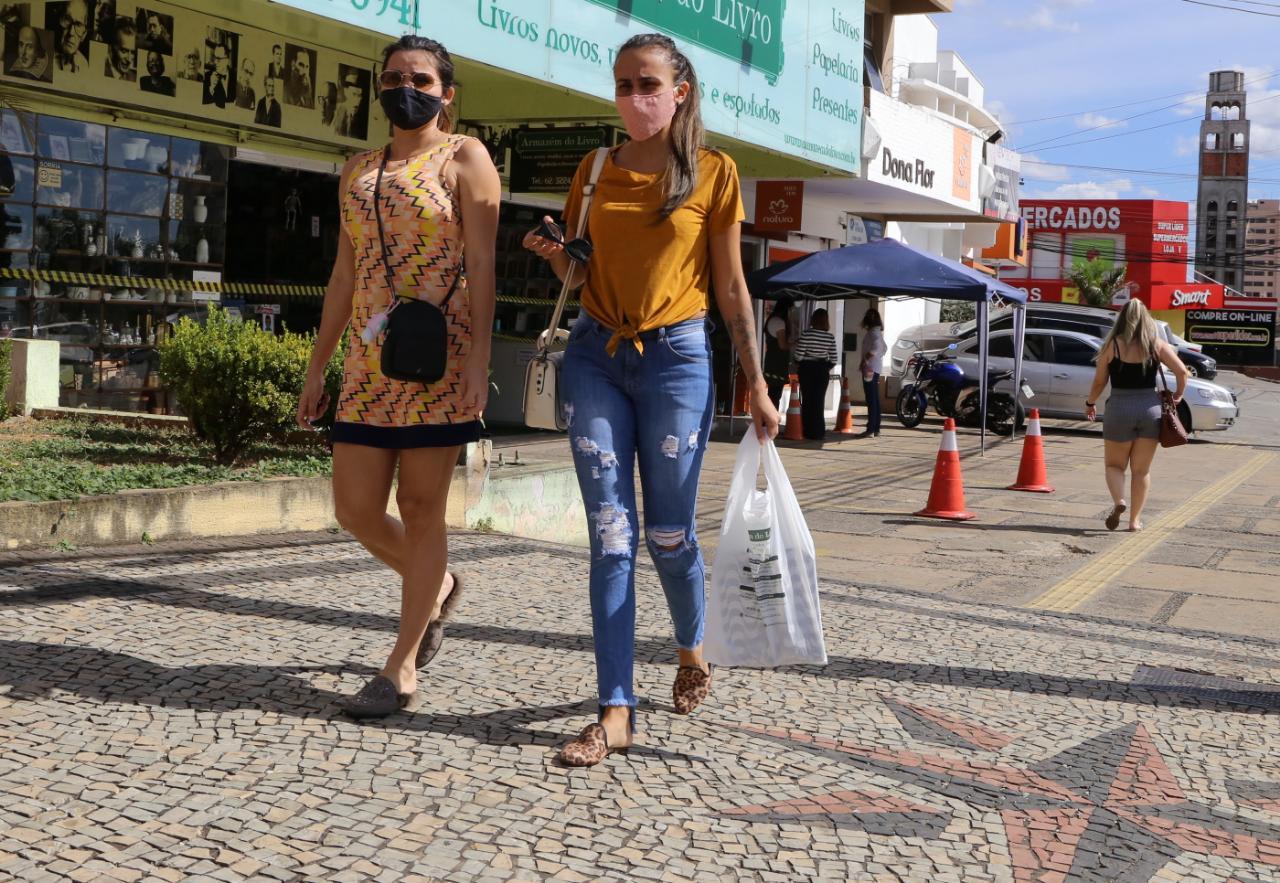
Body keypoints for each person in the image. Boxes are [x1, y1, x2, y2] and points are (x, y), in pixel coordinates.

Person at [524, 32, 780, 767]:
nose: (633, 96)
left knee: (669, 533)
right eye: (622, 84)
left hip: (678, 359)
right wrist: (555, 256)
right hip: (595, 356)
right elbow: (578, 270)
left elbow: (732, 286)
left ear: (681, 91)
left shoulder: (713, 172)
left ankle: (691, 646)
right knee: (611, 532)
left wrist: (757, 384)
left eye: (646, 83)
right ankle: (615, 710)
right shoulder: (596, 167)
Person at [296, 34, 499, 717]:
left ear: (447, 92)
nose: (404, 87)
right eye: (392, 77)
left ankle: (401, 664)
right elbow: (343, 277)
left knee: (420, 508)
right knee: (353, 507)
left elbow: (483, 265)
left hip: (438, 360)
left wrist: (479, 364)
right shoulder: (358, 168)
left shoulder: (464, 157)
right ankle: (437, 586)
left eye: (419, 78)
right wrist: (316, 366)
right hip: (369, 359)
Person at [1084, 299, 1187, 533]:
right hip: (1149, 410)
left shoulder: (1112, 345)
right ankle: (1134, 521)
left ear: (1121, 318)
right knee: (1141, 471)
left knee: (1114, 465)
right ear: (1146, 318)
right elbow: (1181, 370)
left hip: (1119, 408)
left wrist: (1090, 403)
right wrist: (1178, 395)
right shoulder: (1156, 344)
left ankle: (1119, 501)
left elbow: (1100, 381)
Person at [792, 308, 838, 440]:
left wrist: (798, 361)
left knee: (807, 400)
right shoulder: (830, 337)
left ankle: (807, 430)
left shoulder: (806, 334)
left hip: (806, 369)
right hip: (822, 370)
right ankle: (818, 431)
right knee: (819, 401)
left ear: (813, 319)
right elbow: (834, 359)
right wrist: (825, 367)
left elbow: (799, 355)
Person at [857, 307, 886, 439]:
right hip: (874, 368)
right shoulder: (877, 332)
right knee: (874, 398)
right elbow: (884, 348)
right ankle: (876, 427)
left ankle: (871, 428)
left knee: (871, 398)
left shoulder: (873, 334)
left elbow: (875, 349)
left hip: (870, 369)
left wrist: (865, 360)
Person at [762, 297, 792, 408]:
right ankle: (770, 421)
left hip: (771, 361)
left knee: (772, 394)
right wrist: (795, 343)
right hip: (777, 364)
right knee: (775, 395)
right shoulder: (779, 322)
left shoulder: (771, 319)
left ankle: (768, 421)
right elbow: (783, 345)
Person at [53, 0, 89, 74]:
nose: (71, 32)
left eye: (78, 24)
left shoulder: (84, 64)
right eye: (67, 20)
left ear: (84, 34)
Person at [202, 41, 233, 108]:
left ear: (227, 60)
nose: (215, 62)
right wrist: (211, 88)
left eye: (219, 59)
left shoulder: (235, 76)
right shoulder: (207, 76)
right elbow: (203, 104)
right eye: (214, 58)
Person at [103, 16, 135, 81]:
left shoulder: (133, 78)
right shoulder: (99, 71)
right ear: (110, 48)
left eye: (132, 52)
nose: (129, 59)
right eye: (124, 51)